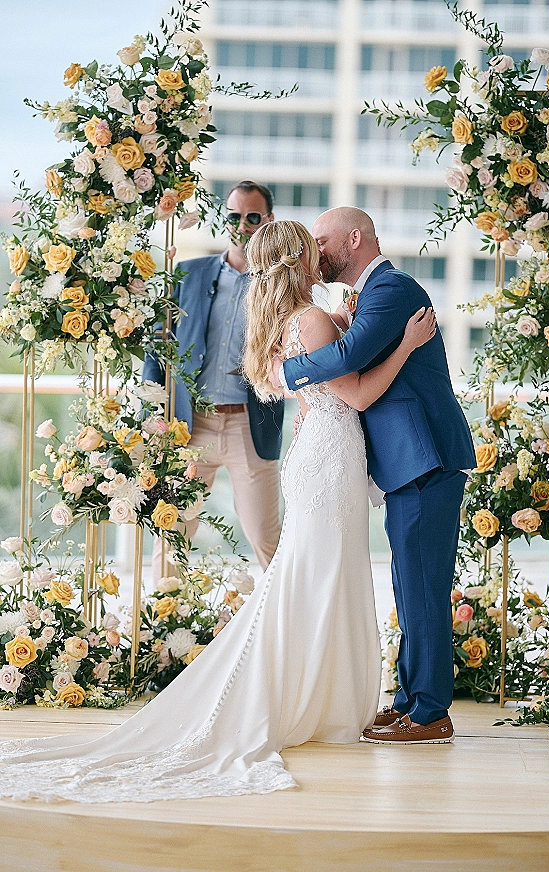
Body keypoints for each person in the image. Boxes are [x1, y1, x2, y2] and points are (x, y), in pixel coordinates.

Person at [0, 221, 436, 803]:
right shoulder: (308, 318)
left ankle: (314, 692)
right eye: (316, 250)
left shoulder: (282, 321)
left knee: (311, 571)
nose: (323, 255)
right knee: (323, 571)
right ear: (301, 261)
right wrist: (406, 344)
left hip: (319, 452)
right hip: (330, 455)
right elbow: (354, 394)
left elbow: (314, 383)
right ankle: (318, 698)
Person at [272, 207, 476, 745]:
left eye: (322, 240)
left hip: (424, 457)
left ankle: (431, 714)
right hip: (404, 463)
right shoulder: (363, 297)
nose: (314, 253)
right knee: (409, 589)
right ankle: (411, 700)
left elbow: (346, 357)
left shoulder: (391, 290)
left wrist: (283, 369)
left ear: (353, 239)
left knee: (424, 588)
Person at [142, 180, 284, 581]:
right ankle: (166, 628)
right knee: (172, 533)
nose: (242, 226)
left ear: (268, 221)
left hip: (248, 424)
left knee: (265, 535)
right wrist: (153, 417)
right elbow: (158, 351)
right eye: (234, 216)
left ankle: (288, 632)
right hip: (190, 425)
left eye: (252, 217)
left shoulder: (279, 284)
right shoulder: (187, 275)